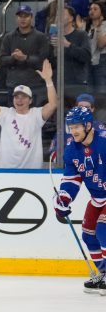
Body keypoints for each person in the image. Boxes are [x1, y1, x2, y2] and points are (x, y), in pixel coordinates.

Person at [54, 106, 106, 294]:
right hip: (98, 198)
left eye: (77, 126)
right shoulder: (71, 150)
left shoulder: (104, 141)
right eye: (71, 127)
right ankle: (102, 273)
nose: (73, 131)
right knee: (88, 235)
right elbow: (71, 179)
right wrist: (64, 198)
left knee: (103, 230)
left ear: (88, 125)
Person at [0, 57, 57, 168]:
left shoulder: (36, 115)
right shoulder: (5, 114)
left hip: (32, 174)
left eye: (23, 97)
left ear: (30, 100)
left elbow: (53, 104)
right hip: (7, 173)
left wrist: (48, 80)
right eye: (16, 97)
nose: (19, 100)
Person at [0, 5, 51, 104]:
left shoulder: (41, 37)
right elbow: (2, 60)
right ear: (16, 18)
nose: (23, 19)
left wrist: (25, 58)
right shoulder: (8, 37)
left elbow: (43, 61)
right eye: (20, 16)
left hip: (35, 84)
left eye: (26, 16)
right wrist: (13, 57)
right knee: (13, 117)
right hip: (14, 84)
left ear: (31, 17)